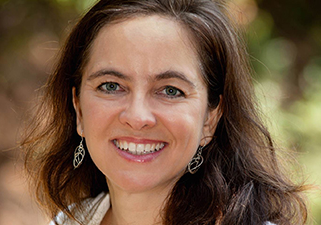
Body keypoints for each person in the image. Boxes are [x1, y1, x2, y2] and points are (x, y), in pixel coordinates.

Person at [21, 0, 308, 224]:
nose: (137, 117)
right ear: (78, 108)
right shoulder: (70, 221)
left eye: (171, 90)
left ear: (211, 117)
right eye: (111, 85)